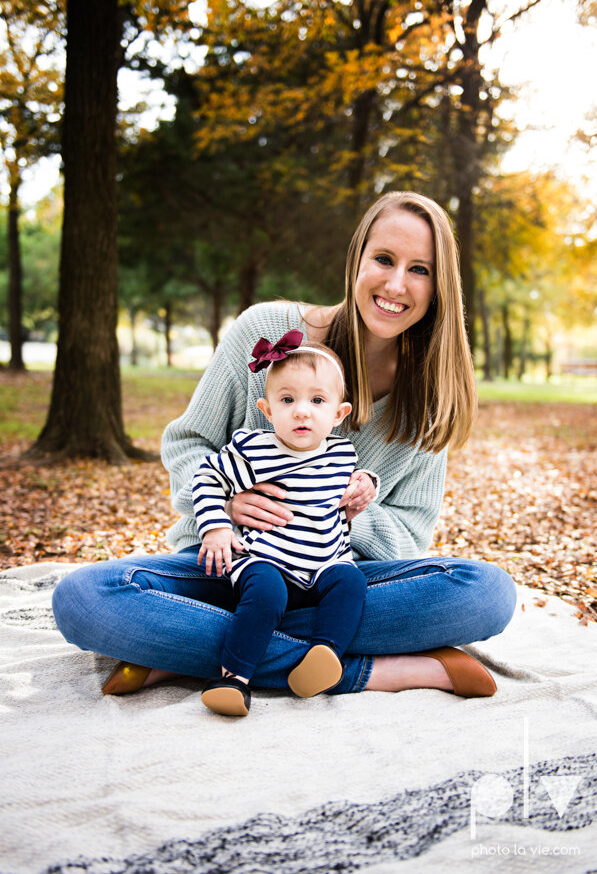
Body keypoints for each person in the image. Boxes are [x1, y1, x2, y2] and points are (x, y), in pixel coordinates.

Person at [52, 190, 516, 703]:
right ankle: (373, 668)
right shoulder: (267, 333)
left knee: (488, 594)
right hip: (229, 567)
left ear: (439, 285)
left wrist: (341, 505)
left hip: (340, 580)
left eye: (420, 269)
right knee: (85, 599)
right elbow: (189, 443)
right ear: (356, 259)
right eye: (384, 259)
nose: (396, 283)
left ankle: (187, 650)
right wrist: (225, 505)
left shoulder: (429, 395)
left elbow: (410, 532)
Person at [194, 333, 373, 716]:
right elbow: (207, 478)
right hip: (267, 558)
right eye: (288, 400)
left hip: (325, 560)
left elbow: (350, 489)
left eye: (317, 400)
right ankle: (234, 679)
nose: (302, 411)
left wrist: (367, 482)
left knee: (352, 582)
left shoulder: (343, 453)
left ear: (339, 414)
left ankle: (324, 655)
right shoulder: (253, 449)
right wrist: (216, 527)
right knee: (266, 596)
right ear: (268, 409)